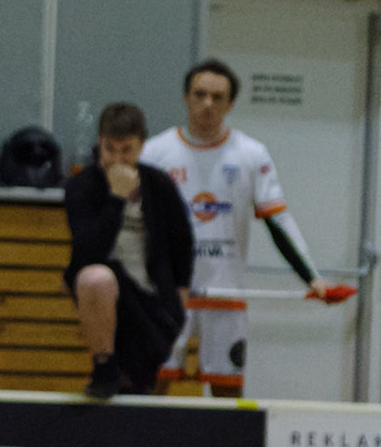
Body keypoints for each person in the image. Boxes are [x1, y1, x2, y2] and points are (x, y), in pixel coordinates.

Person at [140, 57, 327, 396]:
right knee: (152, 386)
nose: (207, 104)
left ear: (230, 104)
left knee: (226, 394)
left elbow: (277, 221)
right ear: (186, 97)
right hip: (167, 292)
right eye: (200, 94)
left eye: (217, 97)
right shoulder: (154, 153)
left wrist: (311, 277)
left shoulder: (251, 154)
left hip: (225, 292)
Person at [64, 104, 193, 399]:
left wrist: (181, 296)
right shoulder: (81, 187)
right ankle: (104, 367)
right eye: (109, 150)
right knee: (95, 277)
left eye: (126, 151)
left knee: (138, 384)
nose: (117, 159)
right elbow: (88, 252)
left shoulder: (159, 184)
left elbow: (181, 242)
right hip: (107, 294)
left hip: (154, 299)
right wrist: (116, 198)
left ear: (141, 147)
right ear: (99, 144)